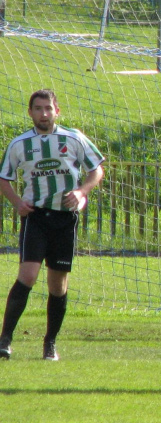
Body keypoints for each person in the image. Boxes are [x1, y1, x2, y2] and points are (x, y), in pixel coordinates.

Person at [0, 89, 105, 361]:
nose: (43, 113)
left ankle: (50, 344)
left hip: (64, 218)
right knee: (28, 276)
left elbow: (97, 170)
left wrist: (82, 192)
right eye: (38, 108)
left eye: (48, 108)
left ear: (57, 111)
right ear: (30, 112)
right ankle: (5, 340)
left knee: (57, 285)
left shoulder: (74, 138)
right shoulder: (19, 144)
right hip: (36, 217)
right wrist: (16, 202)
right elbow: (4, 178)